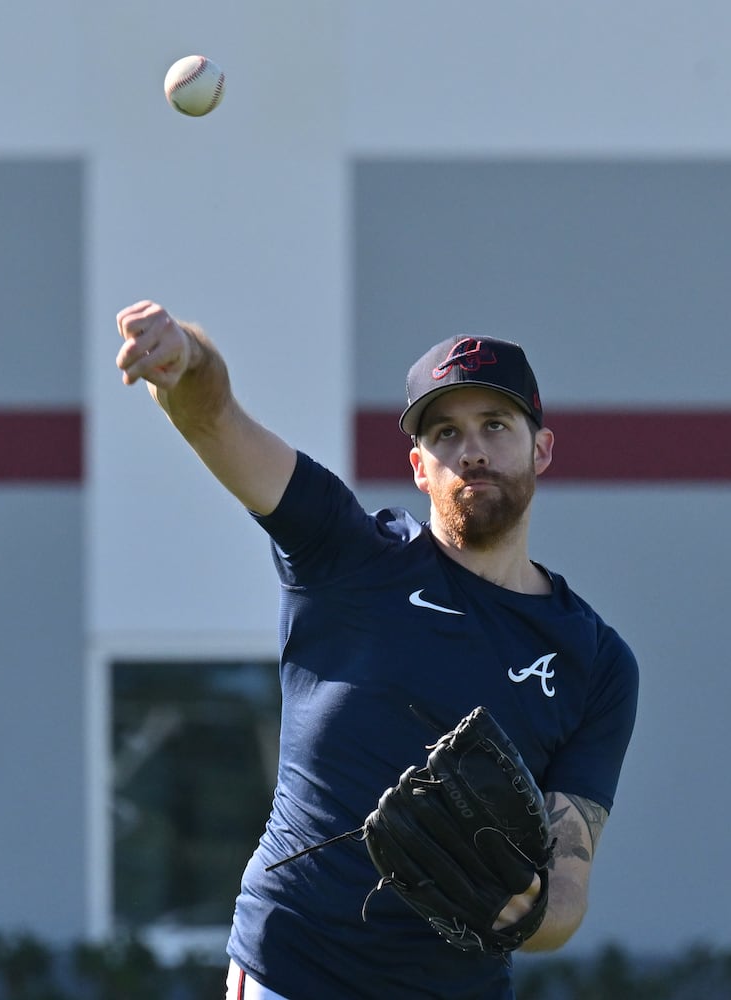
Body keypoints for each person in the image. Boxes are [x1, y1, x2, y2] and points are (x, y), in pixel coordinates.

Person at [115, 301, 639, 1000]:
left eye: (495, 426)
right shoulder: (346, 557)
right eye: (446, 433)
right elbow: (215, 419)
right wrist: (187, 359)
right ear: (419, 466)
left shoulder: (595, 660)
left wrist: (526, 906)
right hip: (293, 970)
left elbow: (568, 885)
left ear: (540, 448)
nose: (472, 450)